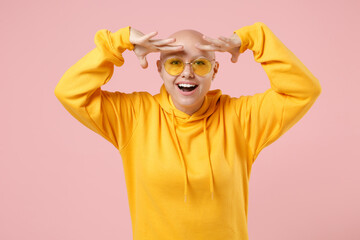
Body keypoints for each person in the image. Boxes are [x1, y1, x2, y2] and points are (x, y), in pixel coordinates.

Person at [54, 22, 321, 240]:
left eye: (200, 63)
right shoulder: (134, 116)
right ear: (159, 68)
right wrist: (118, 42)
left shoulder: (241, 119)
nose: (187, 73)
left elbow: (303, 91)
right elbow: (70, 91)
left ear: (215, 70)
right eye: (174, 63)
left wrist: (255, 38)